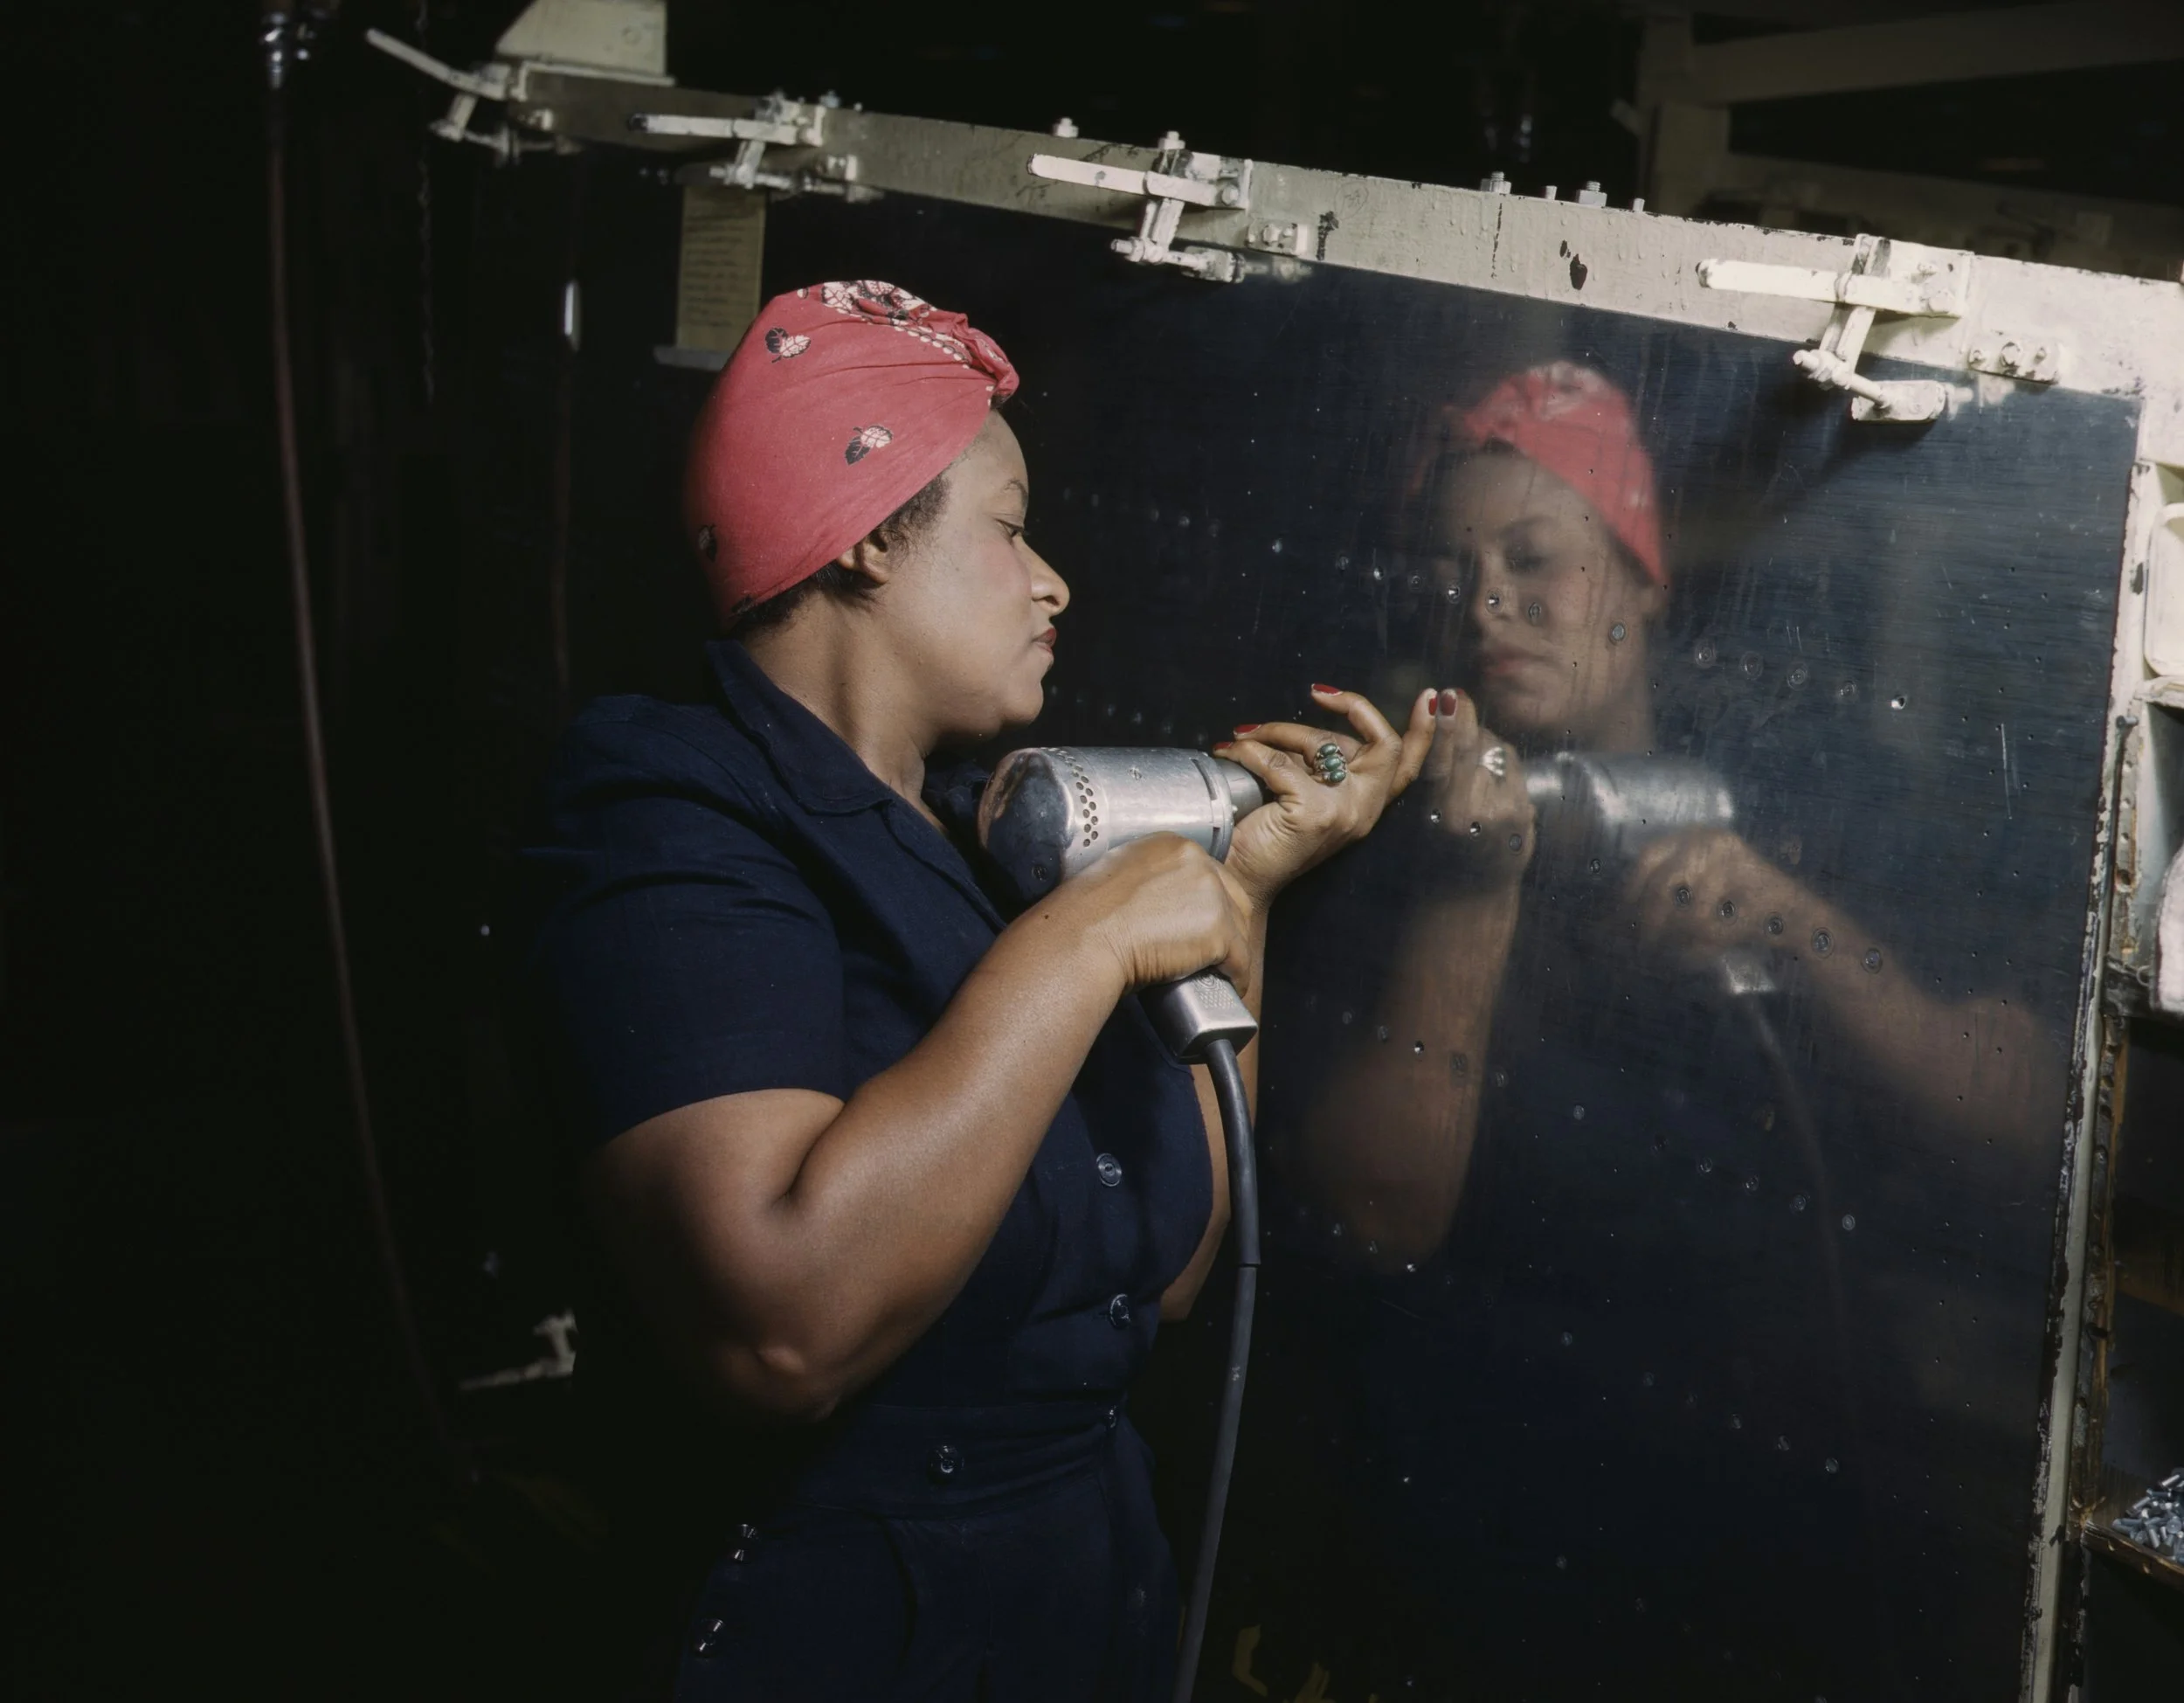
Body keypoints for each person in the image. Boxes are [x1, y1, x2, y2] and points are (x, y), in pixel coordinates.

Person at [523, 279, 1441, 1702]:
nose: (1051, 580)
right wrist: (1081, 944)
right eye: (1010, 531)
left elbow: (1178, 1270)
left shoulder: (969, 836)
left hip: (1076, 1597)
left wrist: (1241, 896)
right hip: (836, 1631)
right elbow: (780, 1330)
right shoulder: (672, 812)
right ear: (875, 537)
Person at [1251, 361, 2065, 1694]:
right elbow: (1370, 1209)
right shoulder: (1377, 839)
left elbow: (2031, 1128)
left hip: (1786, 1506)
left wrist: (1799, 931)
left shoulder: (1807, 781)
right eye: (1446, 569)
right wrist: (1471, 889)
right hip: (1484, 1514)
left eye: (1536, 557)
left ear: (1640, 580)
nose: (1486, 604)